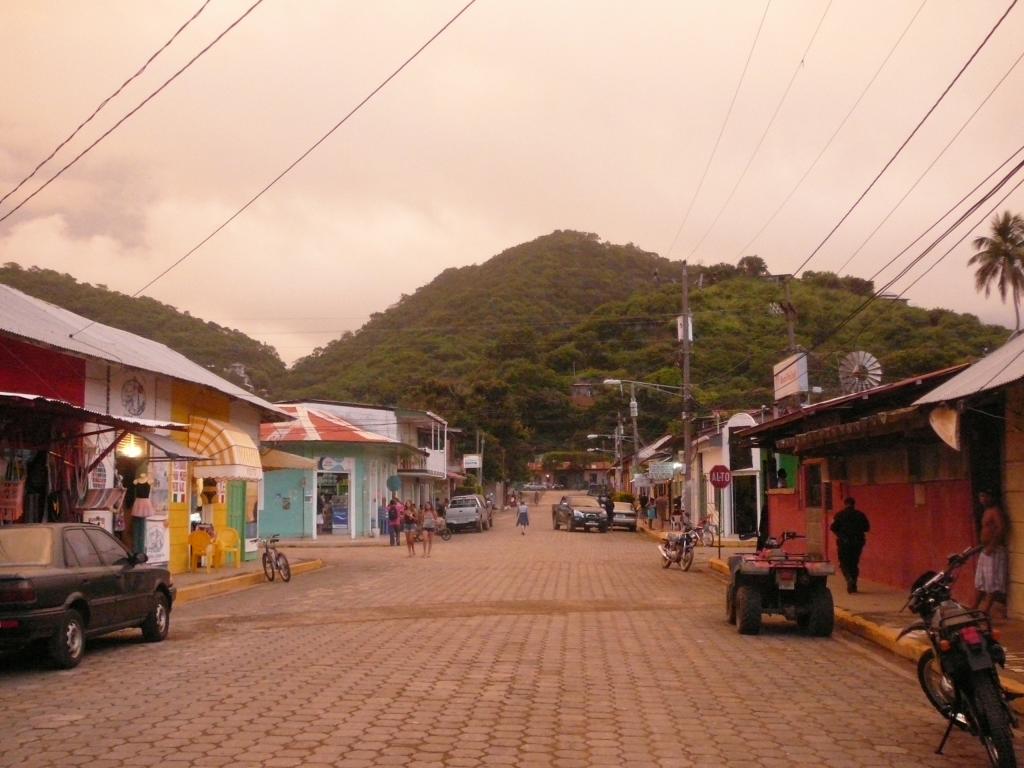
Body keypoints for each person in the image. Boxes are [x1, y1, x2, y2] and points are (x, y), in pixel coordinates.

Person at [973, 490, 1008, 617]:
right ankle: (973, 609)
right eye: (981, 496)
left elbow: (1001, 528)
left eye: (985, 496)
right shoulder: (986, 511)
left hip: (994, 550)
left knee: (992, 583)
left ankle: (985, 612)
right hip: (985, 549)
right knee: (981, 582)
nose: (982, 499)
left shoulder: (995, 511)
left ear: (991, 497)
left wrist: (992, 545)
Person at [830, 497, 870, 593]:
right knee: (854, 563)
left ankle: (848, 578)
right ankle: (854, 584)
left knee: (844, 563)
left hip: (844, 542)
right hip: (857, 542)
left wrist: (840, 534)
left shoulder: (840, 515)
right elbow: (867, 528)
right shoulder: (860, 515)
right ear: (854, 504)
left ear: (845, 504)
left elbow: (833, 528)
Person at [131, 471, 154, 555]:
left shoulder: (149, 481)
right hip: (138, 502)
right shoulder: (136, 481)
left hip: (144, 502)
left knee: (142, 527)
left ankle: (141, 550)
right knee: (137, 526)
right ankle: (136, 550)